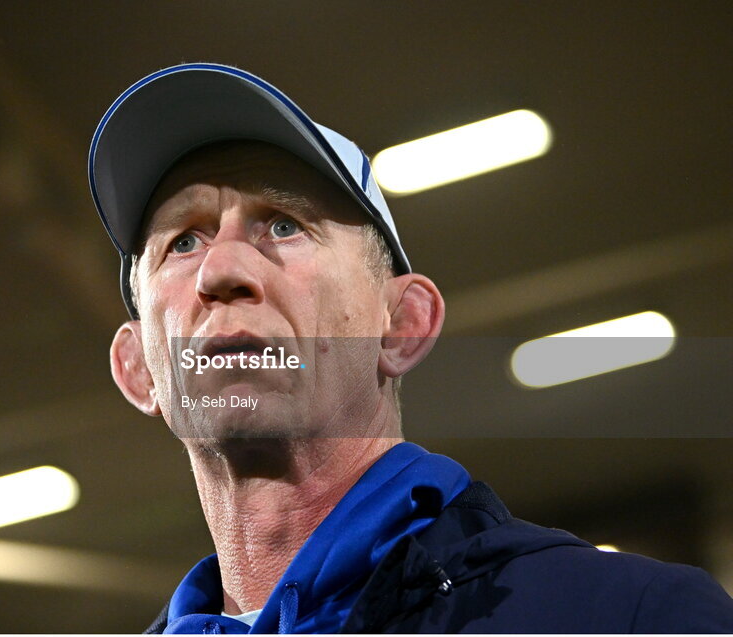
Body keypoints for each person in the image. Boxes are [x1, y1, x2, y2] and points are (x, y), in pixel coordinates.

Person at [88, 63, 733, 633]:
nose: (221, 269)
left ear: (400, 326)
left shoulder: (629, 618)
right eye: (184, 242)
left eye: (284, 225)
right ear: (140, 368)